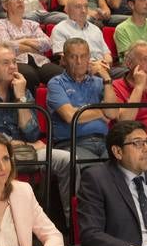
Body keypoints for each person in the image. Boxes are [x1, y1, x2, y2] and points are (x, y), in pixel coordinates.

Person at [0, 43, 73, 204]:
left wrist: (20, 97)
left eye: (14, 62)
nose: (13, 67)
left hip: (26, 151)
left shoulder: (23, 91)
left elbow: (32, 133)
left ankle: (69, 221)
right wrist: (27, 145)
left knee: (68, 160)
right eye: (6, 63)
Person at [46, 37, 117, 184]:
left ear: (89, 58)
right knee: (98, 173)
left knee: (123, 166)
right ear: (64, 60)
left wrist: (107, 78)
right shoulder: (56, 83)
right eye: (73, 57)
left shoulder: (99, 82)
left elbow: (113, 113)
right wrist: (100, 110)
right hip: (72, 143)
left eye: (83, 56)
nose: (79, 61)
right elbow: (71, 116)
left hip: (103, 141)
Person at [0, 0, 61, 90]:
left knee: (60, 75)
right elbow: (3, 46)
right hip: (17, 61)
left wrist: (23, 41)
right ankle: (27, 105)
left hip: (41, 61)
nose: (20, 1)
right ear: (5, 6)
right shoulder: (1, 24)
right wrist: (32, 46)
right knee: (29, 76)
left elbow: (47, 43)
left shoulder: (32, 24)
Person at [48, 0, 111, 67]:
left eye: (86, 6)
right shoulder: (60, 29)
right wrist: (93, 65)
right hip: (79, 70)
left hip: (103, 66)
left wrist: (105, 63)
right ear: (67, 9)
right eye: (78, 7)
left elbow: (107, 54)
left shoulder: (96, 29)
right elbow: (62, 56)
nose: (84, 11)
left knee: (124, 72)